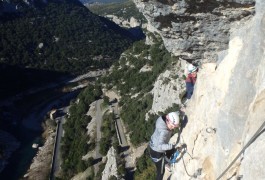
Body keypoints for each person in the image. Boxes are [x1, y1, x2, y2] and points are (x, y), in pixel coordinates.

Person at [149, 112, 180, 180]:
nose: (172, 128)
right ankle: (165, 164)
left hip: (153, 146)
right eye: (172, 126)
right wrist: (172, 145)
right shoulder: (164, 131)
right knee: (160, 172)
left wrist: (179, 112)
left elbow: (171, 116)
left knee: (171, 151)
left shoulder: (162, 119)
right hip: (157, 152)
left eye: (174, 127)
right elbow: (161, 146)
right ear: (167, 121)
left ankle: (166, 162)